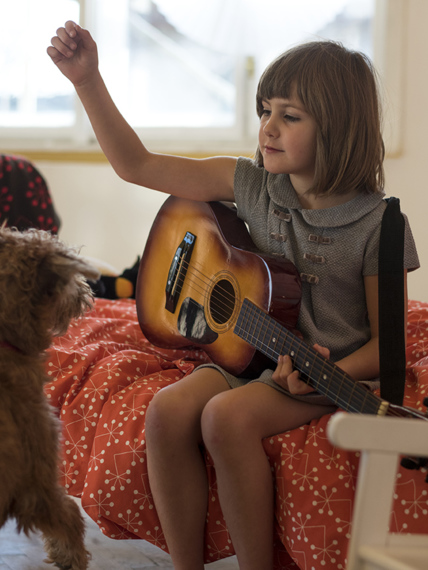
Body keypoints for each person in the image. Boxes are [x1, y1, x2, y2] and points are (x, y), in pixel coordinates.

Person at [47, 22, 419, 570]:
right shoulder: (250, 184)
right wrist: (87, 81)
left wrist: (320, 372)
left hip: (328, 370)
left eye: (289, 116)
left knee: (226, 418)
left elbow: (389, 348)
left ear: (339, 128)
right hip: (249, 355)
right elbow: (137, 165)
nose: (267, 127)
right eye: (264, 109)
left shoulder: (380, 225)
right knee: (167, 410)